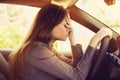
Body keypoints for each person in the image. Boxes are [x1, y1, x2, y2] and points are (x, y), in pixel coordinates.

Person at [9, 4, 113, 80]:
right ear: (50, 24)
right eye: (65, 25)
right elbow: (78, 77)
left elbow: (75, 67)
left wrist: (72, 39)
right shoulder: (36, 50)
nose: (69, 28)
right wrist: (94, 41)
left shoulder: (47, 48)